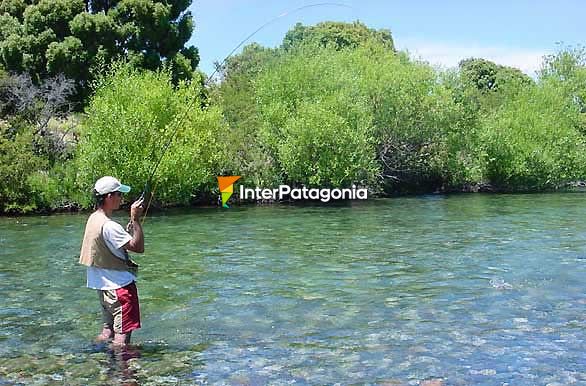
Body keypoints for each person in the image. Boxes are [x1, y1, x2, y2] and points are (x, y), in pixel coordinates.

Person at [79, 176, 145, 346]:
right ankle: (122, 371)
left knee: (107, 331)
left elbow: (105, 246)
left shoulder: (93, 218)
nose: (121, 198)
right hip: (120, 289)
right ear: (109, 197)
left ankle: (99, 359)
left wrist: (124, 232)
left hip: (102, 288)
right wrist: (136, 220)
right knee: (121, 340)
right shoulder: (110, 226)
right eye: (119, 194)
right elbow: (138, 248)